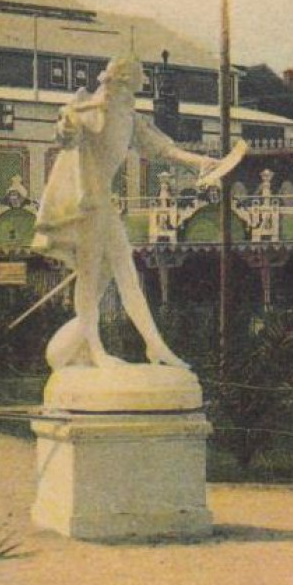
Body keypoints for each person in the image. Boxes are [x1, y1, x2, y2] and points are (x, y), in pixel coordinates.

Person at [33, 55, 245, 371]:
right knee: (91, 278)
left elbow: (161, 149)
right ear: (118, 82)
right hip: (86, 207)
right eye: (132, 85)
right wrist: (67, 123)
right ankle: (95, 351)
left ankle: (156, 346)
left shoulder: (128, 117)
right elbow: (67, 140)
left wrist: (200, 162)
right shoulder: (91, 112)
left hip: (104, 205)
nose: (135, 93)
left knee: (127, 274)